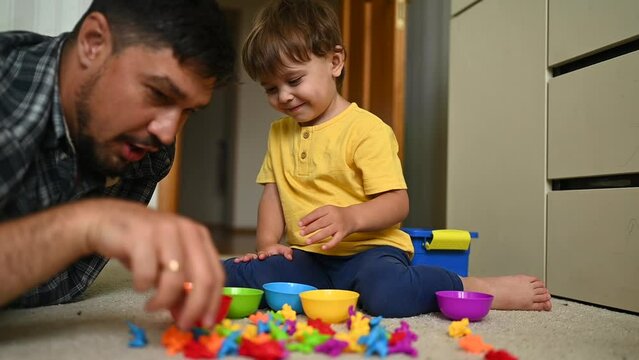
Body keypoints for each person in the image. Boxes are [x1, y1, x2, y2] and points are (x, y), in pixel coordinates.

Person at [224, 0, 552, 317]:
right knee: (231, 274)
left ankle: (468, 285)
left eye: (294, 80)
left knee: (388, 295)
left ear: (335, 62)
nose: (283, 96)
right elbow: (273, 194)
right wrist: (267, 245)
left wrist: (350, 218)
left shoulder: (367, 129)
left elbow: (397, 203)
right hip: (310, 258)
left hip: (370, 254)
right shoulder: (279, 133)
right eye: (270, 89)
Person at [0, 0, 235, 329]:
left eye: (189, 111)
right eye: (158, 93)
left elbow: (48, 292)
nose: (167, 134)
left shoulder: (147, 153)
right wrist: (87, 225)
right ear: (93, 43)